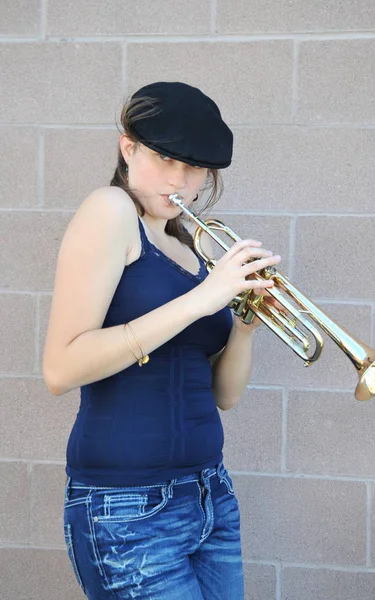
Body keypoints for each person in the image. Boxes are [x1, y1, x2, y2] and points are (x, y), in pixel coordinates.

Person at [42, 81, 281, 600]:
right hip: (127, 505)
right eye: (165, 159)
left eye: (194, 167)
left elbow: (225, 397)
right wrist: (201, 300)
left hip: (209, 493)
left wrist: (243, 327)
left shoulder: (186, 248)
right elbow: (60, 369)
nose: (180, 180)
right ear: (127, 147)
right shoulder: (110, 210)